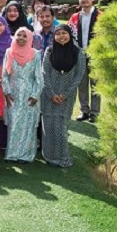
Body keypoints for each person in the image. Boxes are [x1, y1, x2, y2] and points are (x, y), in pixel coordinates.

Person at [41, 25, 86, 167]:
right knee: (48, 126)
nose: (61, 36)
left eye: (64, 33)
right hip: (49, 94)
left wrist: (65, 94)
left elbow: (79, 75)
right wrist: (52, 94)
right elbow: (44, 73)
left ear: (70, 35)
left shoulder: (78, 53)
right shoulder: (49, 51)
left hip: (67, 95)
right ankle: (49, 157)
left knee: (60, 126)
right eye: (58, 34)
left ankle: (62, 158)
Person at [1, 27, 43, 163]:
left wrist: (35, 95)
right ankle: (12, 154)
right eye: (19, 35)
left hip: (29, 94)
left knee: (28, 124)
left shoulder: (36, 54)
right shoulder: (9, 52)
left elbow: (39, 77)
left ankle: (25, 155)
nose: (21, 38)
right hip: (13, 93)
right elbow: (4, 75)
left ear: (29, 38)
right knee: (14, 124)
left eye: (25, 36)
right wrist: (7, 93)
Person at [68, 0, 102, 122]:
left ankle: (95, 112)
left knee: (95, 85)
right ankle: (84, 111)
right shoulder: (75, 17)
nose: (84, 0)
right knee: (81, 84)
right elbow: (70, 34)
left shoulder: (100, 16)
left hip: (95, 55)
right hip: (80, 54)